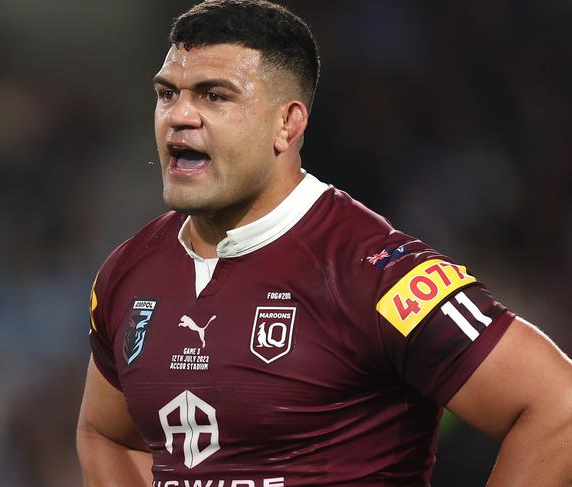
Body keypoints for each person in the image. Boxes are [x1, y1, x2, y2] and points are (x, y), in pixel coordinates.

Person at [76, 1, 572, 485]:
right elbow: (107, 435)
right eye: (167, 94)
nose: (179, 116)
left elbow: (557, 409)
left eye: (214, 96)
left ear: (286, 124)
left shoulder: (375, 272)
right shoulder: (127, 273)